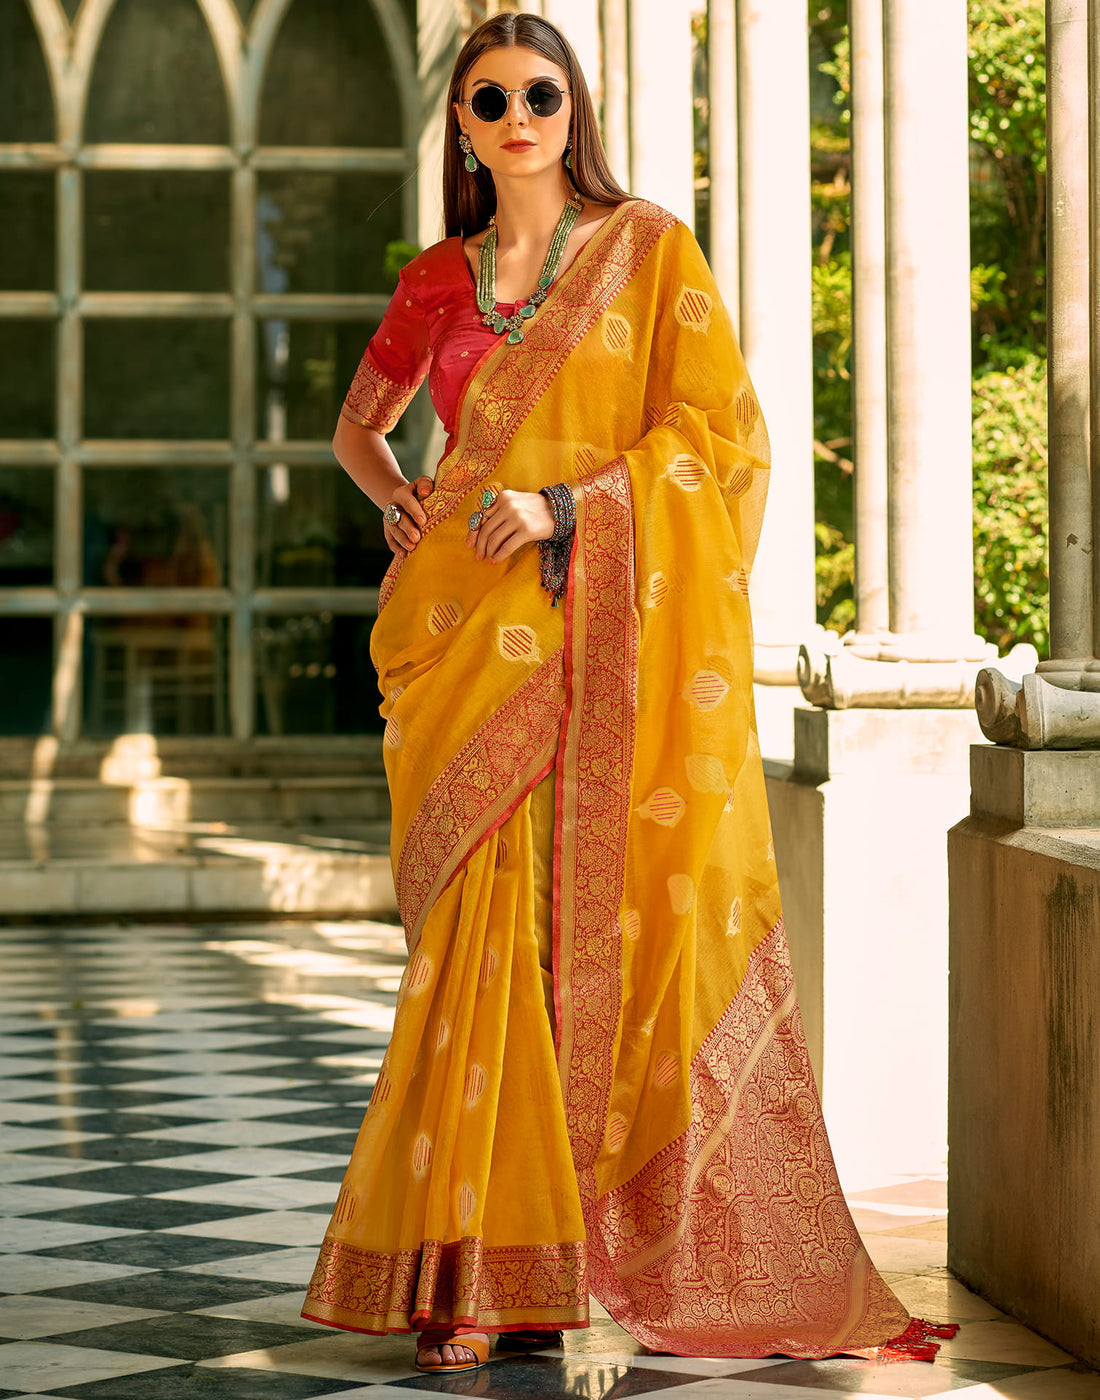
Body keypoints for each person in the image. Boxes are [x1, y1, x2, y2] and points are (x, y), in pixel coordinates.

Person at [302, 10, 954, 1376]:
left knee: (552, 939)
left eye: (541, 91)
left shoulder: (651, 251)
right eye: (490, 99)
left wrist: (567, 503)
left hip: (587, 629)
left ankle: (537, 1274)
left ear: (572, 104)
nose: (518, 115)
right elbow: (357, 427)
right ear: (465, 127)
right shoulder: (440, 280)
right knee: (468, 955)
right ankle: (466, 1273)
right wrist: (405, 506)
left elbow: (720, 440)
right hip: (462, 639)